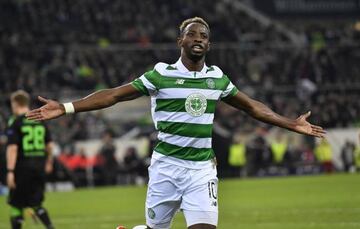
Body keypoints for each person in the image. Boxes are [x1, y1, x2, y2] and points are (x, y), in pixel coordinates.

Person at [26, 17, 325, 229]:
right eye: (193, 34)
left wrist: (291, 124)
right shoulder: (160, 75)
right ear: (180, 40)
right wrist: (66, 107)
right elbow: (114, 95)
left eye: (204, 36)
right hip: (166, 168)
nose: (199, 39)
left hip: (201, 170)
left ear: (209, 44)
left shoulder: (216, 78)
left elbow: (252, 107)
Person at [6, 90, 55, 229]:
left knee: (16, 204)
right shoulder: (39, 120)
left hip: (22, 167)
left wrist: (10, 171)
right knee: (36, 202)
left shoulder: (16, 122)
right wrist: (49, 162)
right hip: (39, 166)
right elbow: (50, 145)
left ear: (16, 103)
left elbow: (12, 149)